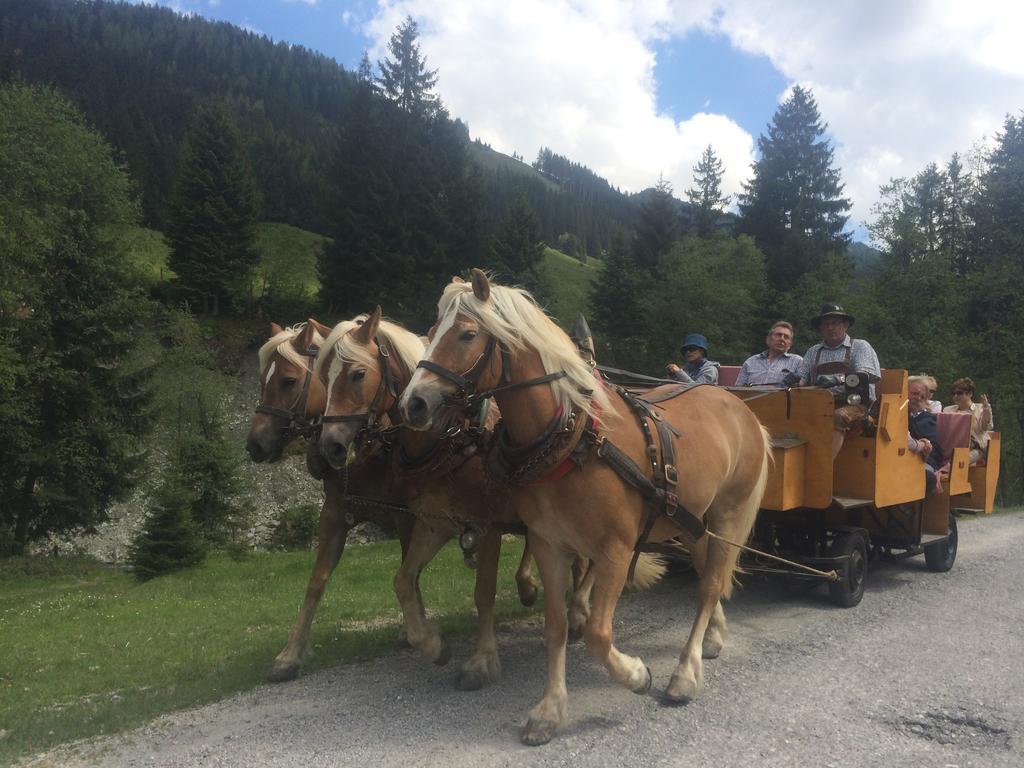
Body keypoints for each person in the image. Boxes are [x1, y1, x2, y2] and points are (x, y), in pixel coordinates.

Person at [794, 302, 881, 459]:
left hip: (856, 405)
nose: (830, 328)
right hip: (819, 403)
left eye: (835, 323)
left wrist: (837, 378)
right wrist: (794, 382)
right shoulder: (813, 351)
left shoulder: (860, 346)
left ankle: (822, 470)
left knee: (838, 416)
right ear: (820, 328)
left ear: (845, 325)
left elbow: (863, 376)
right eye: (826, 324)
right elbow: (801, 380)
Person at [942, 377, 994, 465]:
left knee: (957, 461)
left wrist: (986, 409)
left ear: (970, 393)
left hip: (977, 447)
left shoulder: (981, 408)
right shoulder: (948, 410)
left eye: (959, 393)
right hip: (953, 447)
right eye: (953, 393)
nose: (955, 396)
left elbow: (985, 427)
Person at [735, 321, 803, 386]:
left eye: (786, 337)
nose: (782, 339)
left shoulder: (797, 362)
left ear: (790, 344)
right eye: (778, 335)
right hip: (751, 397)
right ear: (768, 339)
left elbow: (804, 388)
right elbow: (737, 389)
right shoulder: (750, 362)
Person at [908, 376, 945, 494]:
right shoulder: (895, 414)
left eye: (923, 397)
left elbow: (934, 451)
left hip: (922, 461)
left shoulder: (928, 419)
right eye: (914, 393)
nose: (918, 398)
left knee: (926, 477)